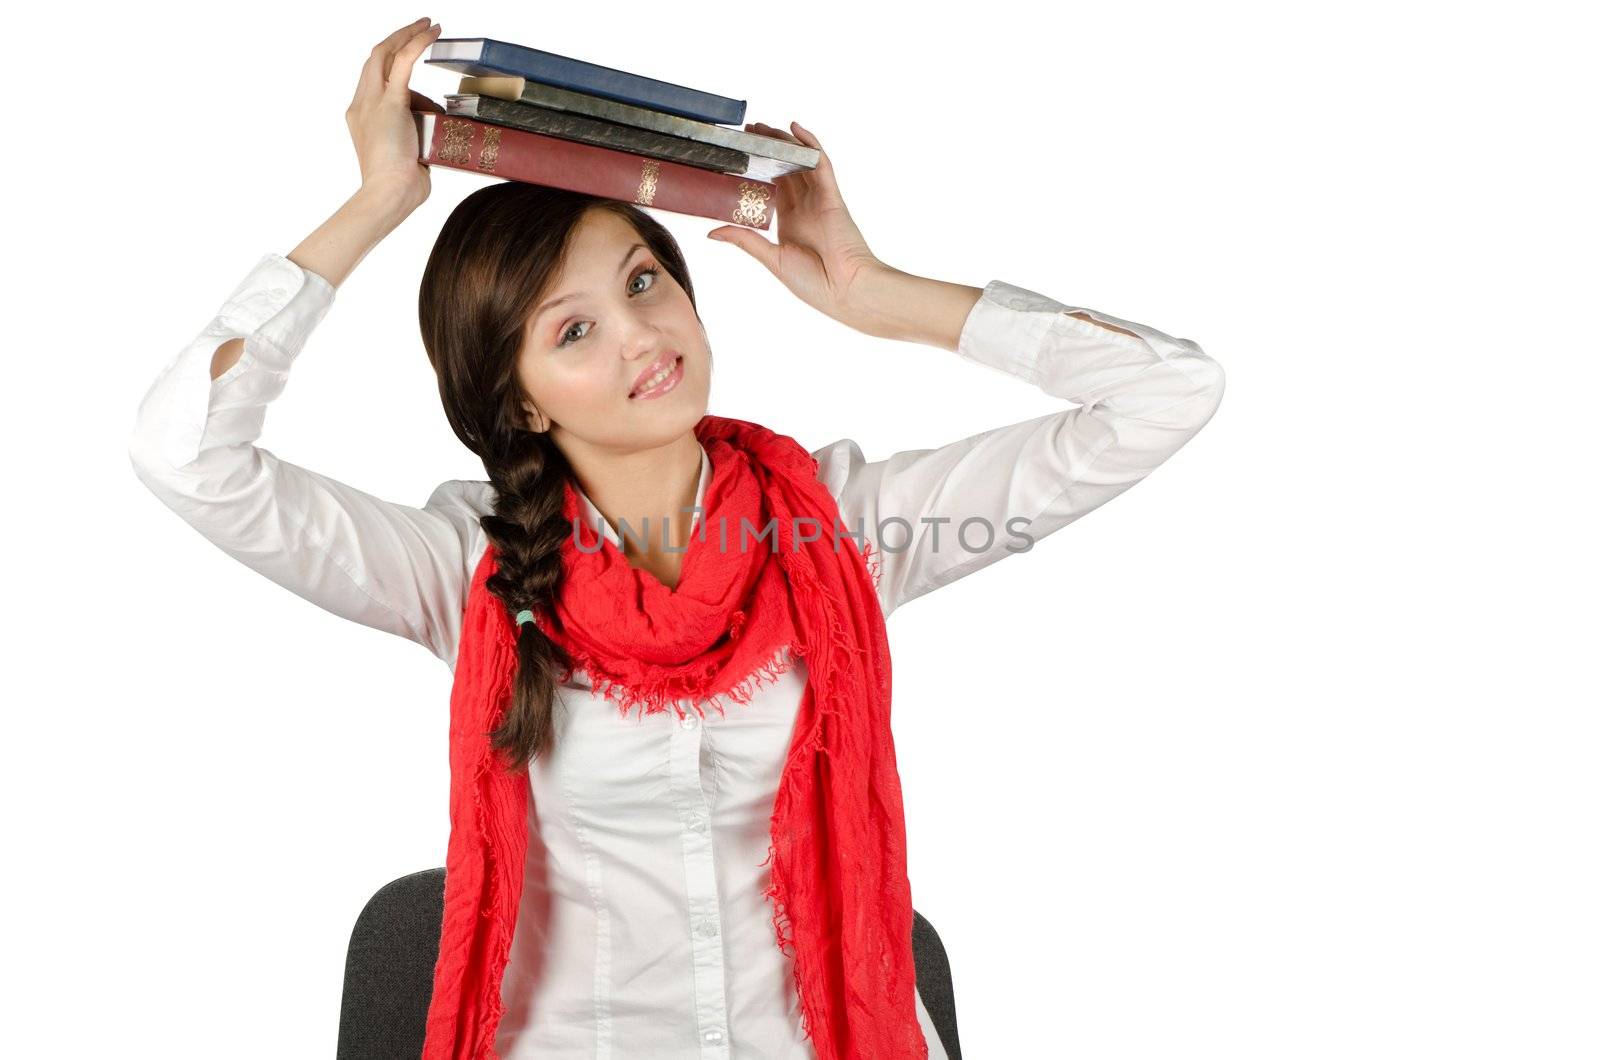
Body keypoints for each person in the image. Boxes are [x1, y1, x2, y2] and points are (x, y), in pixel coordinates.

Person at [127, 17, 1226, 1060]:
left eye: (645, 281)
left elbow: (1166, 395)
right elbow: (188, 456)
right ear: (522, 403)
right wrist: (373, 202)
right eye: (574, 330)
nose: (642, 335)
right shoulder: (464, 569)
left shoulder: (836, 528)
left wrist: (874, 293)